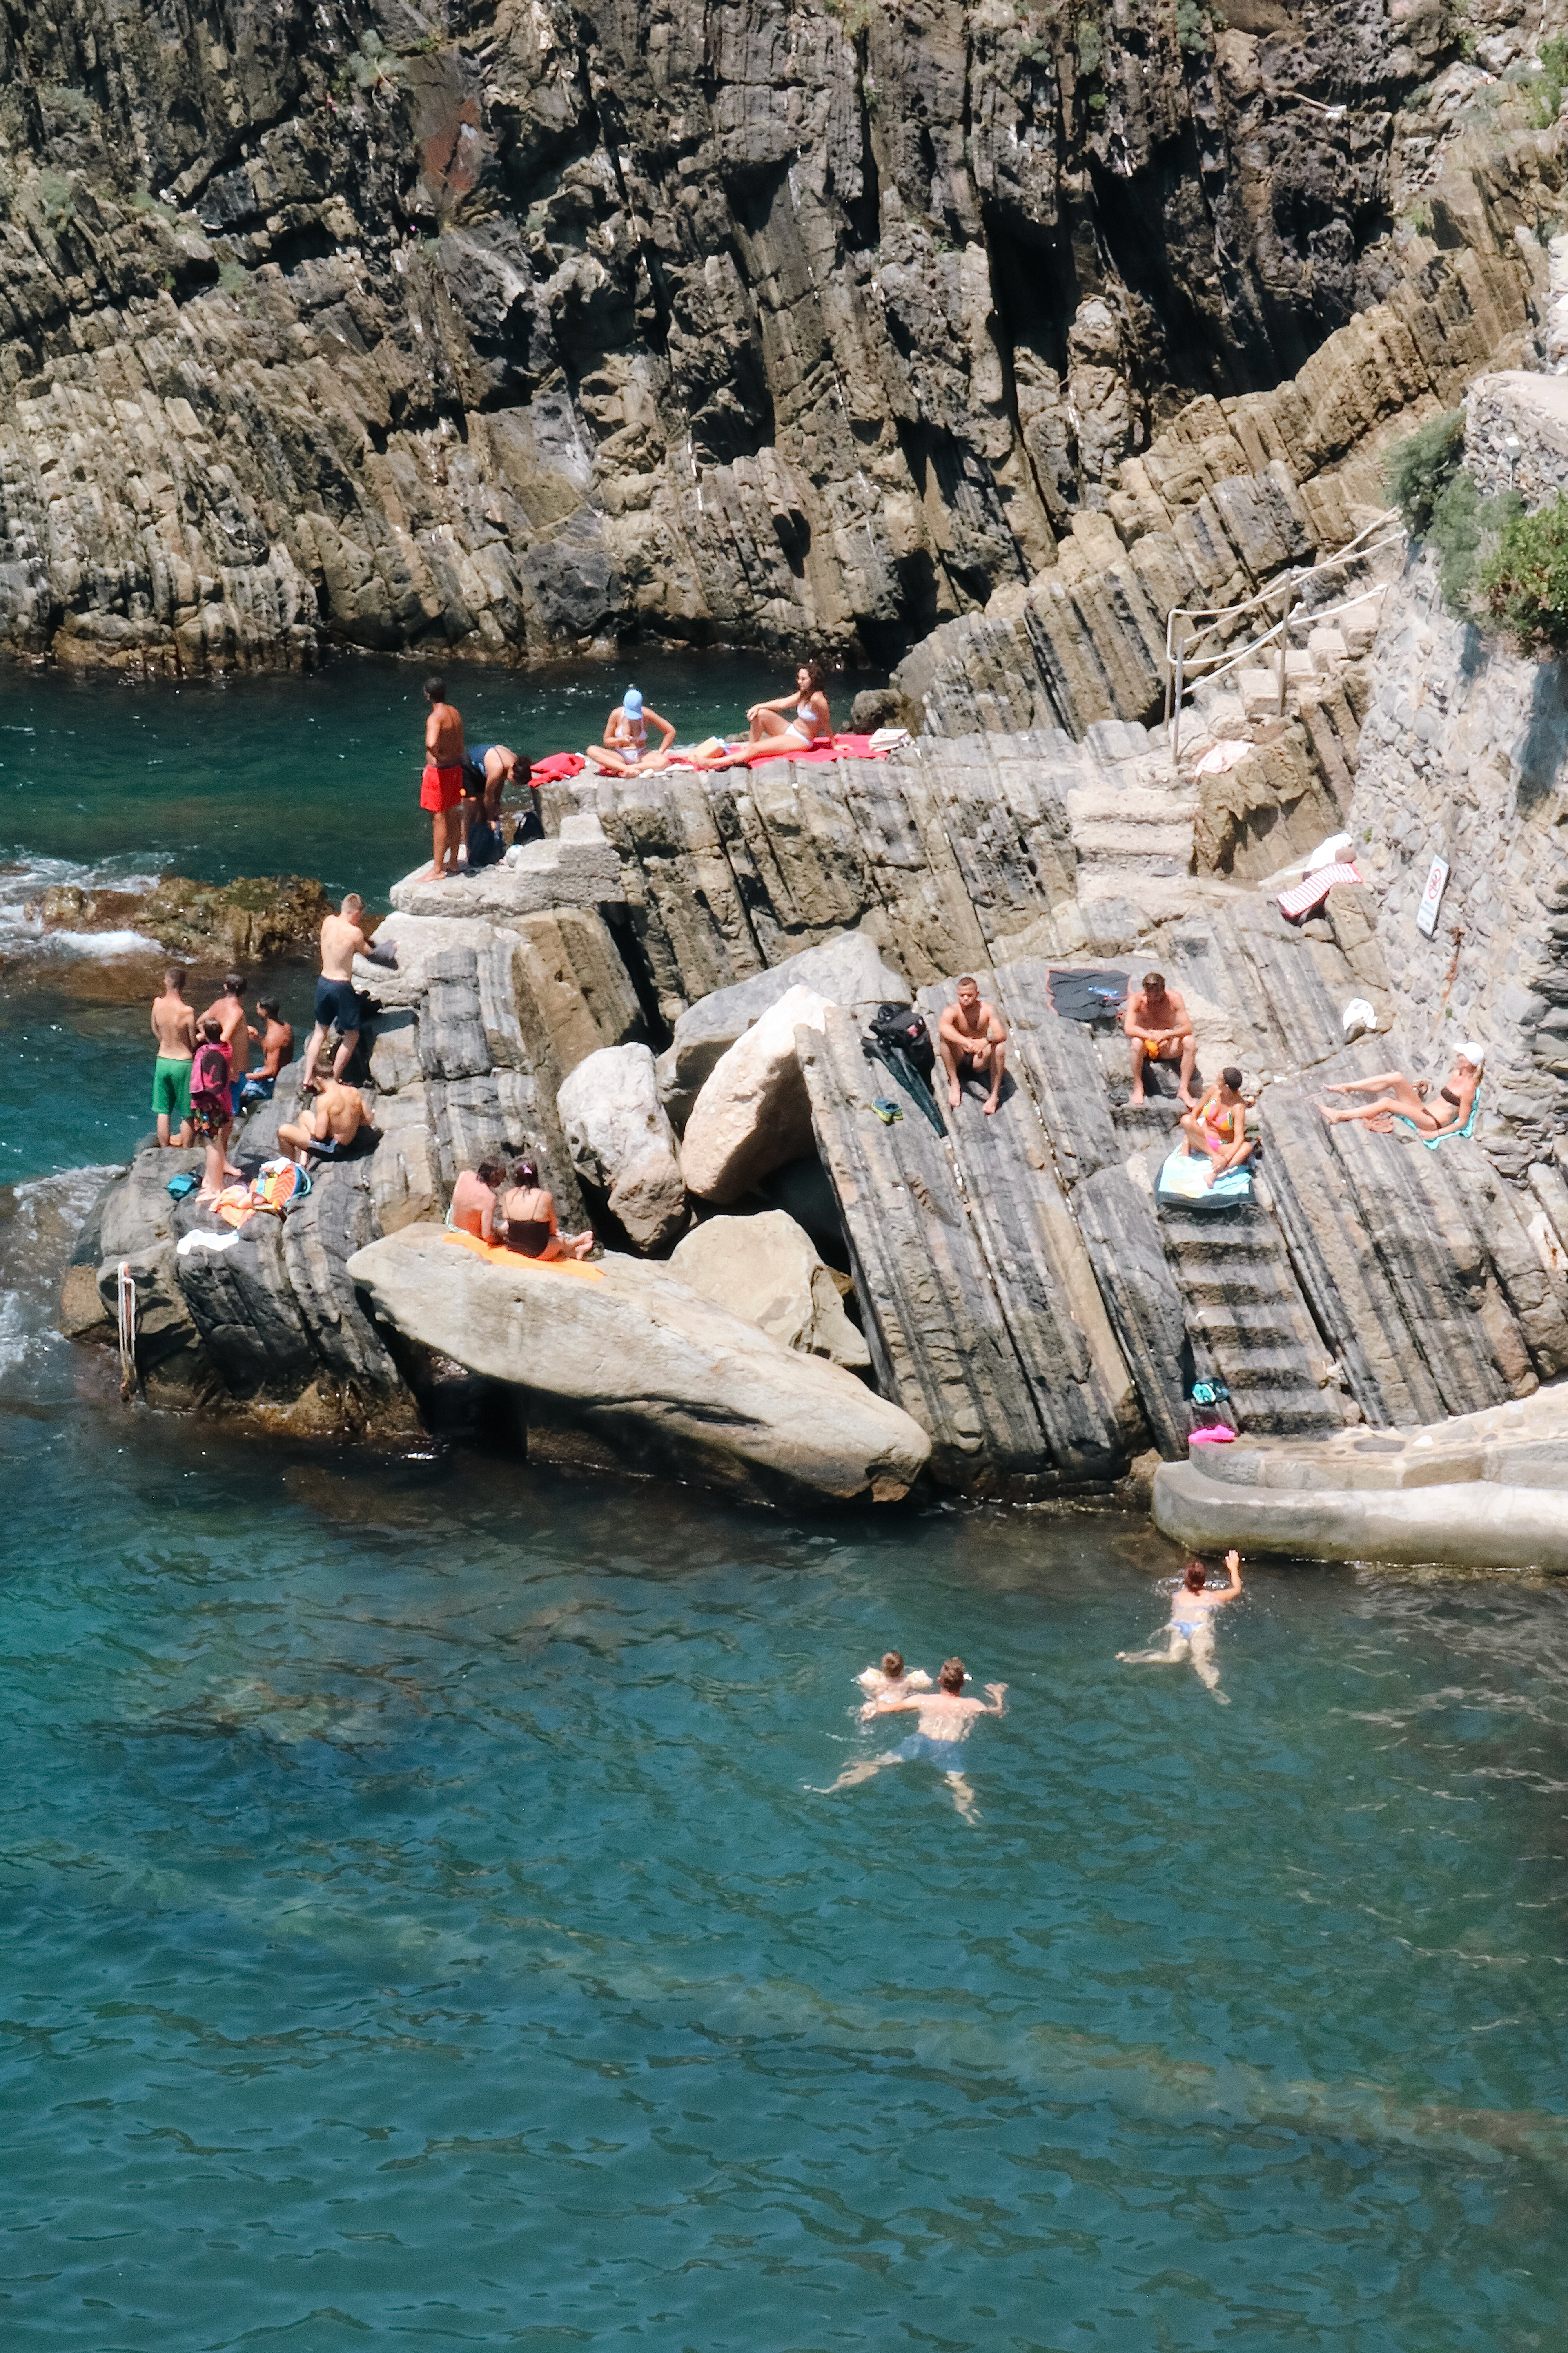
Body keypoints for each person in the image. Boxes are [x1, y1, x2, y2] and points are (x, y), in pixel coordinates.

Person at [817, 1657, 1007, 1824]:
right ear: (963, 1685)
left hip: (920, 1741)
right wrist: (999, 1695)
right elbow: (997, 1713)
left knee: (877, 1763)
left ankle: (832, 1788)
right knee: (958, 1783)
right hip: (949, 1747)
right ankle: (969, 1815)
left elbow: (884, 1708)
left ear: (940, 1681)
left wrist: (873, 1700)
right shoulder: (973, 1705)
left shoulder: (923, 1700)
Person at [1118, 1550, 1243, 1702]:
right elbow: (1237, 1589)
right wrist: (1234, 1567)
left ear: (1185, 1581)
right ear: (1204, 1581)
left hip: (1178, 1628)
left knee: (1173, 1658)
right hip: (1200, 1629)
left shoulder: (1176, 1596)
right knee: (1200, 1661)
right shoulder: (1212, 1597)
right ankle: (1213, 1688)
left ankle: (1132, 1657)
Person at [303, 894, 390, 1092]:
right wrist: (389, 951)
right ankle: (334, 1078)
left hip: (323, 982)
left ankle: (307, 1079)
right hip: (341, 987)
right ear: (357, 913)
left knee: (319, 1033)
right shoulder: (354, 933)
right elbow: (371, 954)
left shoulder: (328, 922)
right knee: (352, 1036)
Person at [1319, 1046, 1484, 1135]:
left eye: (1461, 1055)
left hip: (1431, 1123)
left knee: (1387, 1103)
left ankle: (1340, 1116)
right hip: (1423, 1112)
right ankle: (1345, 1087)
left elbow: (1463, 1122)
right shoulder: (1457, 1074)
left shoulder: (1469, 1088)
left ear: (1469, 1063)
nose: (1457, 1056)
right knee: (1397, 1077)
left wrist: (1437, 1134)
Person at [496, 1156, 595, 1260]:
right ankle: (576, 1245)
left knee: (554, 1240)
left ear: (516, 1177)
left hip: (512, 1247)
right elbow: (553, 1230)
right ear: (535, 1175)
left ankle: (577, 1247)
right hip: (538, 1253)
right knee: (558, 1240)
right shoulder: (544, 1196)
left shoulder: (507, 1195)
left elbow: (508, 1223)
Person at [1124, 971, 1197, 1108]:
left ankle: (1183, 1090)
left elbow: (1188, 1028)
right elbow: (1129, 1028)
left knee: (1190, 1041)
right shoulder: (1137, 1000)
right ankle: (1139, 1086)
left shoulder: (1174, 999)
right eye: (1151, 996)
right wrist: (1151, 1036)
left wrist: (1166, 1035)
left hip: (1167, 1044)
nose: (1156, 1000)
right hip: (1146, 1045)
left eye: (1159, 995)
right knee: (1136, 1043)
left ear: (1164, 990)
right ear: (1145, 992)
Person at [938, 976, 1008, 1115]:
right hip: (958, 1057)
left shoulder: (987, 1010)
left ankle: (994, 1096)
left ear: (977, 994)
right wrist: (967, 1042)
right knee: (945, 1039)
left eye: (969, 995)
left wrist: (985, 1041)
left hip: (978, 1060)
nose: (965, 998)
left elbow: (1002, 1034)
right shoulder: (953, 1010)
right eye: (961, 995)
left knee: (999, 1048)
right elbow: (943, 1027)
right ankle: (955, 1082)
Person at [421, 674, 467, 879]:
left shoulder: (435, 717)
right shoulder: (454, 713)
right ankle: (454, 862)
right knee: (453, 813)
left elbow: (431, 743)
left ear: (427, 695)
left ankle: (437, 869)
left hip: (439, 772)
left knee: (439, 819)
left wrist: (438, 756)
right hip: (456, 769)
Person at [1179, 1066, 1255, 1187]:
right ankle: (1213, 1156)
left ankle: (1216, 1173)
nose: (1216, 1081)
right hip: (1202, 1139)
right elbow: (1195, 1114)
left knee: (1246, 1147)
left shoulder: (1238, 1108)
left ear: (1226, 1087)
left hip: (1220, 1146)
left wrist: (1226, 1158)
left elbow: (1239, 1139)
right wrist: (1188, 1136)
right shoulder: (1214, 1091)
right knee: (1186, 1120)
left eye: (1219, 1079)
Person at [189, 1015, 239, 1197]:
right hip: (222, 1101)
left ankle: (215, 1188)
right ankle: (210, 1180)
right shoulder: (227, 1048)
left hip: (208, 1105)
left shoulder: (206, 1054)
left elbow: (201, 1082)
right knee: (215, 1143)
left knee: (212, 1146)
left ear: (205, 1034)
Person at [149, 965, 196, 1148]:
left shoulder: (157, 1004)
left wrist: (166, 1040)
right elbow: (193, 1041)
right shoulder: (187, 1011)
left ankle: (164, 1151)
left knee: (163, 1111)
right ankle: (186, 1153)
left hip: (163, 1060)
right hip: (183, 1063)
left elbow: (155, 1030)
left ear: (167, 982)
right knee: (187, 1113)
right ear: (183, 985)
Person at [277, 1077, 371, 1169]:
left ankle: (290, 1170)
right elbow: (368, 1119)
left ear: (318, 1079)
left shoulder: (325, 1100)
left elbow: (320, 1135)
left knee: (283, 1131)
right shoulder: (353, 1092)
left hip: (334, 1149)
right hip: (351, 1141)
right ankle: (303, 1163)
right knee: (305, 1115)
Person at [589, 687, 676, 776]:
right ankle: (627, 768)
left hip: (641, 755)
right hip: (621, 755)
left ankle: (627, 769)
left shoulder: (646, 714)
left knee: (664, 762)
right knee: (592, 750)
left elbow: (670, 731)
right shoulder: (617, 714)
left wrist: (660, 752)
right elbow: (607, 741)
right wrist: (621, 740)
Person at [747, 659, 831, 747]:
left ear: (813, 680)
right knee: (761, 714)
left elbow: (826, 723)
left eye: (803, 679)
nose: (799, 682)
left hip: (801, 739)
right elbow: (782, 703)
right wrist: (758, 706)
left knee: (758, 748)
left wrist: (834, 745)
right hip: (791, 729)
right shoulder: (804, 695)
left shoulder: (817, 699)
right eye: (799, 678)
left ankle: (751, 749)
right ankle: (751, 746)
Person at [200, 972, 250, 1119]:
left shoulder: (217, 1004)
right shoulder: (237, 1012)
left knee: (214, 1106)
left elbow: (200, 1022)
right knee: (228, 1111)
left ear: (225, 987)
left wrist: (206, 1037)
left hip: (217, 1066)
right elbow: (224, 1037)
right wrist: (230, 1068)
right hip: (232, 1069)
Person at [239, 998, 295, 1107]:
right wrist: (258, 1039)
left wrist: (243, 1077)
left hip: (271, 1083)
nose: (256, 1010)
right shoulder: (286, 1027)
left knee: (233, 1092)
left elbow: (271, 1072)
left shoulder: (273, 1037)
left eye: (258, 1008)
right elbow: (275, 1051)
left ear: (264, 1012)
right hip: (281, 1075)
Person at [448, 1156, 507, 1243]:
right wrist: (500, 1241)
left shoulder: (465, 1175)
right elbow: (487, 1236)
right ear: (494, 1176)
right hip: (470, 1234)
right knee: (505, 1226)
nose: (503, 1180)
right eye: (502, 1176)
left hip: (452, 1225)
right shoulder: (490, 1198)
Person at [855, 1651, 933, 1701]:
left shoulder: (877, 1681)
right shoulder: (909, 1682)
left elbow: (863, 1683)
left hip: (881, 1704)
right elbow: (927, 1683)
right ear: (902, 1668)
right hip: (900, 1704)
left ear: (883, 1668)